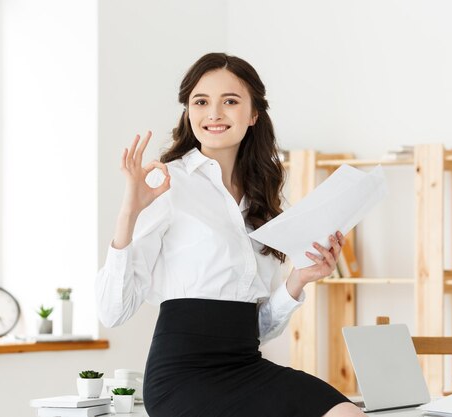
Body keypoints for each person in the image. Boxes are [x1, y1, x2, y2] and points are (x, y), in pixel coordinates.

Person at [96, 52, 365, 417]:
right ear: (188, 111)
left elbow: (258, 329)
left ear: (254, 114)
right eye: (201, 102)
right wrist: (129, 213)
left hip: (247, 366)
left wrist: (299, 279)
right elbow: (112, 311)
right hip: (182, 378)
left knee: (346, 412)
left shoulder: (262, 198)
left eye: (231, 102)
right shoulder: (166, 183)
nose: (214, 114)